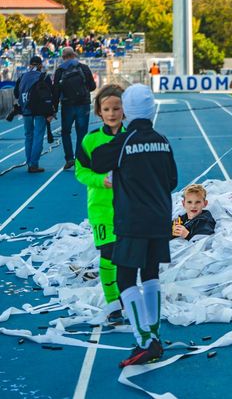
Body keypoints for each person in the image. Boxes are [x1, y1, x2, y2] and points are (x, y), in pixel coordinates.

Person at [91, 84, 178, 367]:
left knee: (126, 278)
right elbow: (173, 180)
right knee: (150, 273)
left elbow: (96, 161)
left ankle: (145, 341)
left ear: (127, 111)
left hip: (132, 221)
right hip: (160, 218)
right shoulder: (163, 140)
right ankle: (153, 333)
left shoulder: (124, 141)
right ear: (152, 110)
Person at [75, 84, 125, 321]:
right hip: (101, 209)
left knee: (126, 256)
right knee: (109, 253)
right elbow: (80, 172)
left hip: (128, 208)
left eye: (116, 108)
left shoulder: (132, 137)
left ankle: (126, 294)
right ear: (99, 112)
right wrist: (100, 180)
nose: (112, 113)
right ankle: (113, 302)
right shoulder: (91, 140)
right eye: (106, 109)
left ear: (125, 110)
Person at [52, 46, 97, 170]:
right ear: (74, 55)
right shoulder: (84, 67)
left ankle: (69, 159)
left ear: (63, 57)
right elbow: (92, 87)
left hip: (67, 105)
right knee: (82, 132)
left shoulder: (60, 70)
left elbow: (56, 91)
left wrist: (54, 108)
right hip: (83, 104)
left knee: (66, 132)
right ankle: (79, 159)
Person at [13, 56, 54, 173]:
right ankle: (34, 164)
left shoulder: (22, 77)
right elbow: (50, 93)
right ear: (40, 65)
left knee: (28, 136)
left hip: (26, 110)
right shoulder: (44, 76)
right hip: (40, 110)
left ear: (30, 65)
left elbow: (16, 93)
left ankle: (29, 162)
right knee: (38, 135)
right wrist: (51, 111)